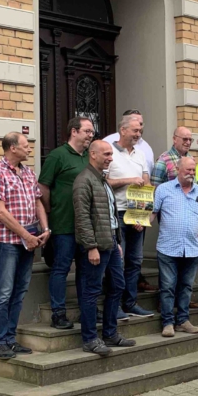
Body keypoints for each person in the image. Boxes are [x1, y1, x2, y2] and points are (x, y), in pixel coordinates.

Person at [0, 132, 50, 359]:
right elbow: (0, 211)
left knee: (19, 292)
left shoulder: (29, 173)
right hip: (7, 242)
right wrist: (26, 235)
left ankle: (10, 339)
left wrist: (46, 229)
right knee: (3, 293)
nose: (30, 149)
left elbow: (38, 202)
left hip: (29, 242)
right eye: (25, 146)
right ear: (12, 148)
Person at [72, 140, 136, 356]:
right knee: (91, 292)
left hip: (110, 245)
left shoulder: (102, 180)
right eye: (106, 154)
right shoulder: (84, 181)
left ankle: (110, 333)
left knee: (118, 285)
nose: (110, 157)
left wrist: (117, 241)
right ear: (93, 154)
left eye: (111, 154)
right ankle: (90, 339)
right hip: (95, 248)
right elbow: (81, 218)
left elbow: (110, 215)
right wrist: (91, 247)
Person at [38, 117, 93, 330]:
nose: (90, 135)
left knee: (85, 269)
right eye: (87, 131)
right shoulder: (57, 156)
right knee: (61, 268)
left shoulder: (89, 156)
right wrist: (51, 212)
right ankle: (58, 313)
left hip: (86, 225)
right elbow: (43, 187)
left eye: (91, 132)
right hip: (63, 224)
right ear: (74, 131)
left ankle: (86, 309)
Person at [152, 156, 198, 337]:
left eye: (194, 171)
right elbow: (152, 213)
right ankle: (168, 323)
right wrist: (139, 222)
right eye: (188, 170)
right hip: (168, 247)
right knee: (168, 286)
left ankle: (183, 321)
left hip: (192, 249)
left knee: (186, 286)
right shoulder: (163, 189)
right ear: (178, 169)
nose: (191, 174)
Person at [104, 109, 157, 293]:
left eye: (140, 131)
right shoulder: (109, 153)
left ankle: (131, 301)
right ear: (123, 129)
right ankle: (115, 304)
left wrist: (144, 216)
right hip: (117, 213)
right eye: (134, 130)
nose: (138, 134)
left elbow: (146, 184)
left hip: (137, 214)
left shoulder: (140, 154)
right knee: (117, 260)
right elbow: (103, 184)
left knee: (135, 260)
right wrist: (129, 181)